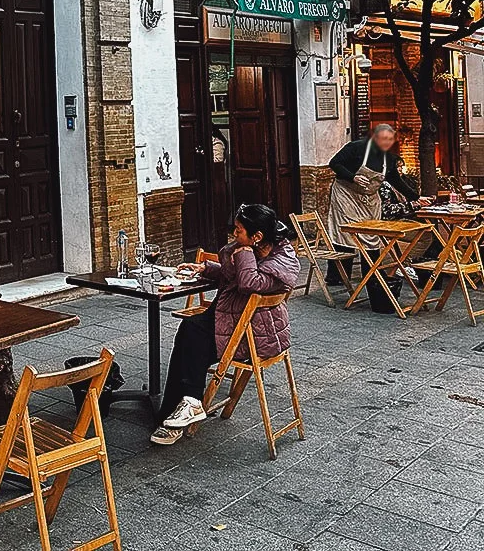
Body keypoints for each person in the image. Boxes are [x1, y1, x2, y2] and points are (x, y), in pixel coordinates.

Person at [150, 203, 300, 446]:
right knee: (189, 337)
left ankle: (185, 404)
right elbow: (237, 274)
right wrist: (206, 268)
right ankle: (182, 407)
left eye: (239, 231)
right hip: (232, 319)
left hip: (253, 334)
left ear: (257, 237)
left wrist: (243, 252)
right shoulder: (254, 249)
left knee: (191, 336)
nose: (234, 235)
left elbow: (248, 282)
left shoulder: (281, 263)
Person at [325, 124, 426, 294]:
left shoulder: (388, 160)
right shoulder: (356, 148)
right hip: (346, 195)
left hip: (369, 200)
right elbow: (334, 163)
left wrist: (416, 197)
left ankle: (371, 274)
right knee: (345, 233)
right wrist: (353, 177)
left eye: (389, 139)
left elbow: (396, 181)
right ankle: (338, 276)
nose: (386, 142)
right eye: (383, 138)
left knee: (371, 235)